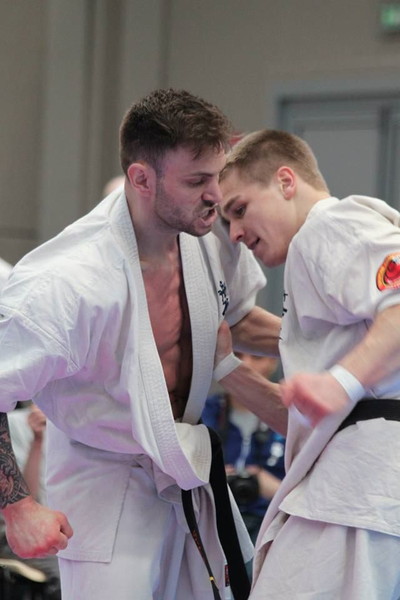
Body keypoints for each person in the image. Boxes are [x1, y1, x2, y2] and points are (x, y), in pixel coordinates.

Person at [0, 89, 285, 600]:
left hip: (185, 471)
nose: (215, 195)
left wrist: (338, 343)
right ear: (142, 178)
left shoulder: (212, 236)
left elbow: (235, 320)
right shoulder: (66, 281)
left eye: (218, 175)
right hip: (104, 483)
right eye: (196, 181)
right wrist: (17, 506)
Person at [215, 128, 400, 599]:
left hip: (362, 490)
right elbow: (306, 418)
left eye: (240, 209)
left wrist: (340, 382)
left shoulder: (329, 225)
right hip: (361, 487)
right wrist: (223, 363)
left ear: (285, 181)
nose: (235, 233)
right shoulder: (319, 269)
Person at [202, 352, 285, 546]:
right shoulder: (202, 413)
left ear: (273, 362)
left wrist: (276, 490)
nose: (244, 364)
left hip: (274, 525)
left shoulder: (293, 417)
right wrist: (209, 479)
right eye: (237, 355)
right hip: (212, 521)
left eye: (257, 357)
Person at [0, 402, 61, 598]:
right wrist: (37, 441)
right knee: (68, 571)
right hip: (22, 527)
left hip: (67, 529)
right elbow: (25, 503)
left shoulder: (81, 426)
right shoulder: (14, 423)